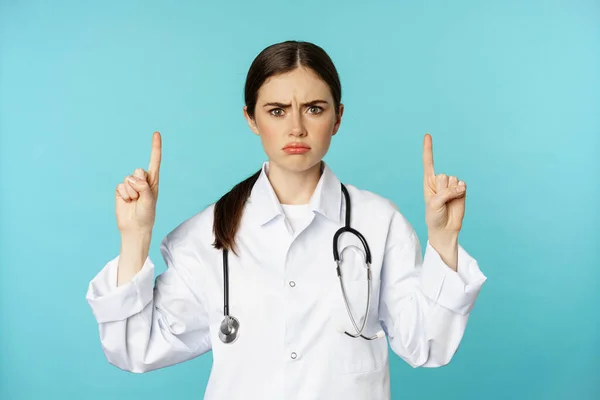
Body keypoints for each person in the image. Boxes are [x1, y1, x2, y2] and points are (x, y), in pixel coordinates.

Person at [86, 40, 487, 400]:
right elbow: (134, 349)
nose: (296, 127)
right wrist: (135, 237)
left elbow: (427, 346)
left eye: (314, 108)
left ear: (338, 117)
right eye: (277, 111)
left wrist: (444, 239)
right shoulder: (207, 234)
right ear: (251, 118)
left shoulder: (379, 223)